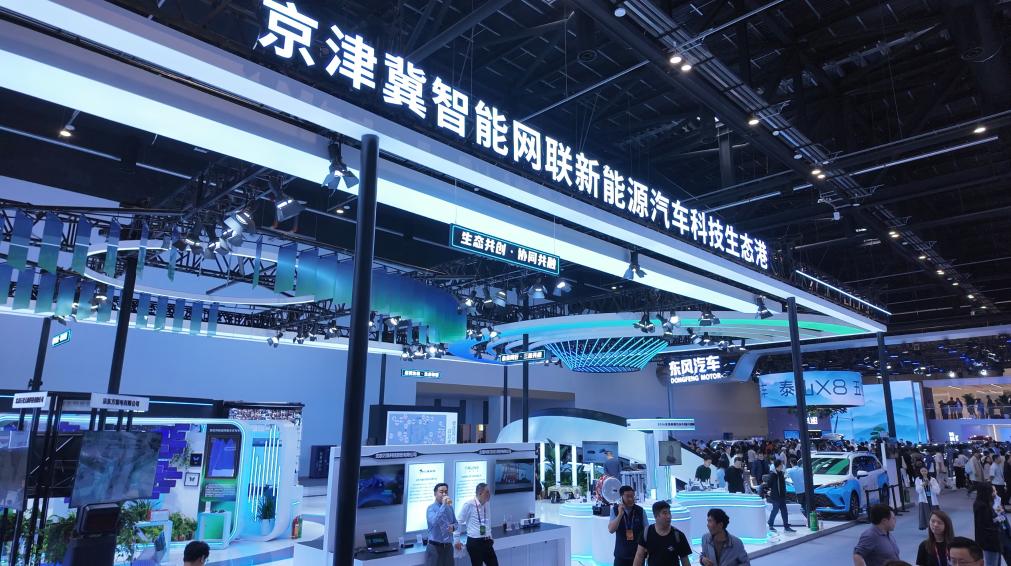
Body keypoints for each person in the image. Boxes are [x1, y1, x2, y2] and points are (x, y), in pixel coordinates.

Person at [632, 501, 692, 566]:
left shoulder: (678, 535)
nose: (669, 516)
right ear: (656, 516)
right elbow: (639, 556)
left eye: (669, 513)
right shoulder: (646, 533)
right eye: (665, 513)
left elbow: (685, 561)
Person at [458, 483, 498, 566]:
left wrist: (490, 536)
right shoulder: (469, 504)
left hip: (487, 541)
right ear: (480, 493)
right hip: (475, 542)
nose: (489, 494)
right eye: (487, 492)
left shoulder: (487, 504)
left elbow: (488, 522)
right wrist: (456, 540)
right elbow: (459, 522)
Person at [608, 485, 647, 566]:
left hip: (638, 554)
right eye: (627, 496)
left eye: (632, 496)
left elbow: (647, 531)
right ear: (621, 497)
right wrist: (620, 515)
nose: (631, 499)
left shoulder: (640, 511)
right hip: (621, 554)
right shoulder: (615, 510)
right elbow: (611, 530)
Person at [426, 483, 461, 566]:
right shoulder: (430, 508)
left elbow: (456, 523)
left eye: (446, 492)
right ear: (435, 494)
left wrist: (453, 527)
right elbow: (434, 521)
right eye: (441, 492)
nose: (444, 494)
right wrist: (443, 506)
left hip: (448, 547)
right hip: (434, 547)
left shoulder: (450, 508)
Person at [973, 483, 1002, 566]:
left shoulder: (985, 502)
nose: (995, 492)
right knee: (992, 562)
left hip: (991, 539)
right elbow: (987, 523)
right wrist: (997, 520)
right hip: (990, 541)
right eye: (993, 491)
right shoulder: (982, 506)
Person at [766, 460, 793, 533]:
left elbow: (782, 485)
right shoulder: (773, 474)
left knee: (784, 511)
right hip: (775, 496)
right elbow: (768, 484)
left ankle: (786, 526)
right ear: (779, 465)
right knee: (775, 510)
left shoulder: (781, 473)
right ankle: (770, 524)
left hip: (782, 496)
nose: (783, 466)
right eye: (782, 464)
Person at [915, 466, 941, 531]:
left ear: (927, 471)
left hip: (932, 500)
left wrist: (930, 484)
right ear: (920, 472)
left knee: (934, 515)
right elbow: (918, 490)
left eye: (925, 471)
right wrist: (923, 484)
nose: (924, 472)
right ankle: (929, 528)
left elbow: (938, 491)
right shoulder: (918, 479)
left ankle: (935, 527)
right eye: (922, 471)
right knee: (926, 515)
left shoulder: (933, 479)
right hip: (923, 500)